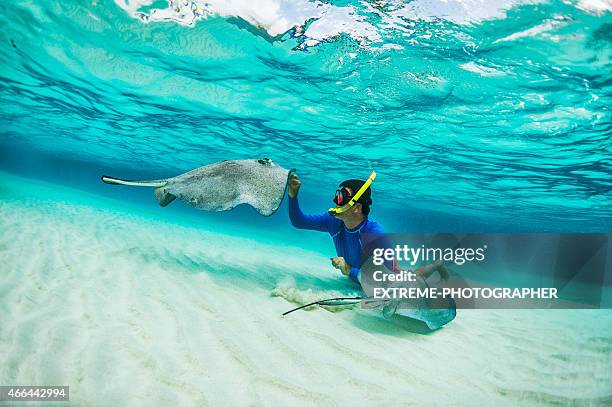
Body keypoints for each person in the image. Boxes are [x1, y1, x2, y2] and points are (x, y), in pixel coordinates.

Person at [287, 173, 448, 285]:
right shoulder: (333, 221)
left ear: (356, 207)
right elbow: (298, 221)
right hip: (361, 278)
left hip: (390, 278)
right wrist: (293, 195)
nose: (336, 201)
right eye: (337, 195)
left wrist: (349, 269)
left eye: (341, 196)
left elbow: (385, 282)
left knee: (412, 277)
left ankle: (436, 265)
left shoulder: (374, 234)